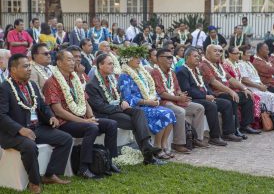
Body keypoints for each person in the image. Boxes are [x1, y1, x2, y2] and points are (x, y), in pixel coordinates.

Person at [0, 54, 73, 193]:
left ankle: (51, 174)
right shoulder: (4, 88)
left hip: (35, 128)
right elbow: (1, 115)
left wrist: (51, 116)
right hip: (14, 133)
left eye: (29, 66)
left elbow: (43, 106)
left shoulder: (32, 85)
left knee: (66, 138)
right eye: (25, 66)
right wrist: (20, 129)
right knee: (29, 146)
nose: (29, 69)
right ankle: (34, 182)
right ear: (13, 69)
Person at [43, 50, 120, 178]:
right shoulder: (51, 82)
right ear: (59, 63)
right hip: (64, 122)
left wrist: (90, 116)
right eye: (69, 60)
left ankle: (109, 162)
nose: (73, 62)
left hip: (82, 118)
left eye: (73, 59)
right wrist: (85, 121)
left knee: (111, 124)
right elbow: (58, 111)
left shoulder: (75, 79)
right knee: (91, 127)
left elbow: (85, 101)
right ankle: (84, 168)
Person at [86, 54, 165, 165]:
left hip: (118, 108)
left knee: (139, 112)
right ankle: (148, 155)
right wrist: (120, 106)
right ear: (100, 65)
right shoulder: (92, 84)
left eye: (113, 63)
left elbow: (118, 95)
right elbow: (100, 107)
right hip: (106, 114)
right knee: (135, 122)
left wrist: (123, 100)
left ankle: (147, 147)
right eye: (109, 64)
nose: (113, 66)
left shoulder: (111, 79)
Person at [118, 46, 176, 159]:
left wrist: (155, 99)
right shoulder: (124, 76)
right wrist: (147, 102)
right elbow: (128, 98)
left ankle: (164, 145)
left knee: (171, 113)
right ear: (127, 59)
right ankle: (157, 146)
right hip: (137, 107)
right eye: (135, 57)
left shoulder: (142, 73)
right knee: (164, 114)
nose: (139, 60)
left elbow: (152, 89)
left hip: (149, 103)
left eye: (139, 57)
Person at [177, 47, 242, 146]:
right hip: (194, 99)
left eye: (199, 56)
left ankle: (228, 132)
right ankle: (215, 137)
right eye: (195, 56)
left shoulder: (197, 70)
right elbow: (188, 90)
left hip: (204, 97)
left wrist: (210, 94)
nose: (198, 58)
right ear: (187, 57)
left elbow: (205, 85)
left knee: (226, 103)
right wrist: (205, 96)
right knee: (211, 106)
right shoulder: (182, 71)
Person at [152, 48, 208, 153]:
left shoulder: (171, 73)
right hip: (164, 102)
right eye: (168, 57)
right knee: (180, 112)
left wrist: (181, 94)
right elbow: (161, 93)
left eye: (171, 58)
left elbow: (177, 88)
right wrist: (178, 98)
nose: (171, 60)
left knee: (199, 108)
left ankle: (197, 139)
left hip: (176, 100)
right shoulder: (155, 72)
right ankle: (178, 143)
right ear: (159, 59)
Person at [200, 44, 261, 138]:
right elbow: (213, 82)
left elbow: (230, 78)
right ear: (207, 53)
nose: (218, 53)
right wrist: (230, 91)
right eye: (215, 51)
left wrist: (244, 88)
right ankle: (232, 130)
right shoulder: (204, 65)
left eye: (220, 51)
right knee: (232, 98)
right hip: (216, 93)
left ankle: (245, 126)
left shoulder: (219, 64)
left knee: (247, 95)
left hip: (226, 91)